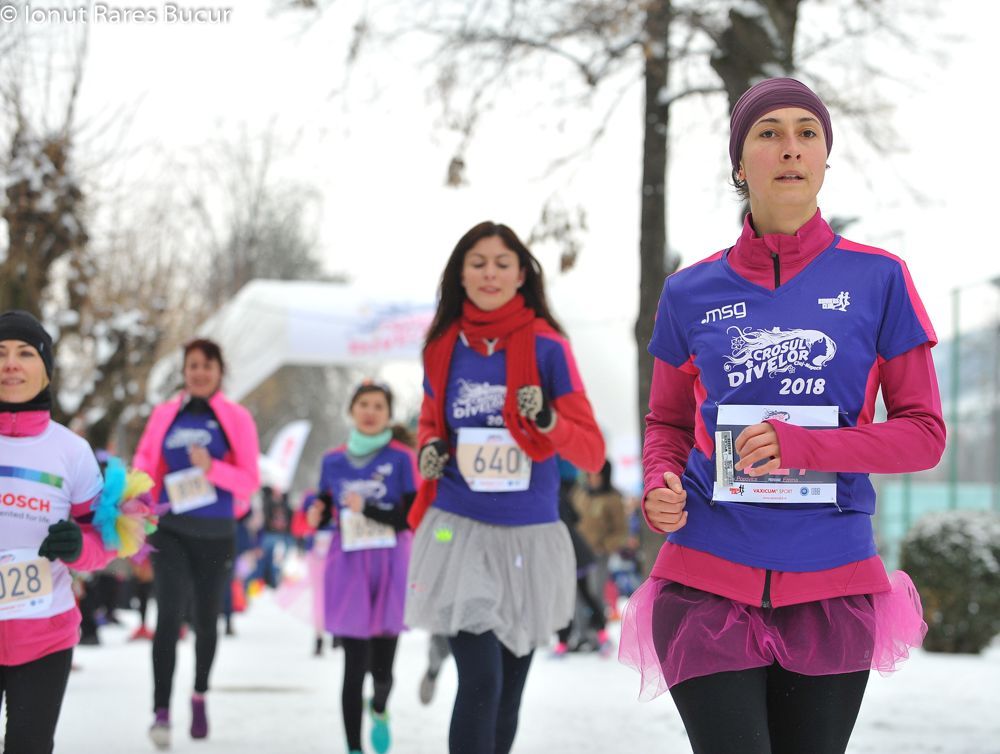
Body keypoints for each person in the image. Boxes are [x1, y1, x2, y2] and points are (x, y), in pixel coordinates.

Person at [619, 78, 946, 754]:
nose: (790, 148)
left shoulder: (880, 279)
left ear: (826, 158)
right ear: (740, 164)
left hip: (832, 580)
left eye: (807, 133)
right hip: (706, 574)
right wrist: (660, 486)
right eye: (768, 133)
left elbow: (924, 434)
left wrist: (808, 447)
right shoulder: (689, 292)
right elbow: (669, 426)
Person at [404, 221, 605, 754]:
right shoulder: (442, 347)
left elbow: (590, 450)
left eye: (501, 263)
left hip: (529, 539)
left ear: (522, 275)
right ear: (460, 275)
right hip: (458, 532)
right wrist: (428, 448)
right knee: (481, 682)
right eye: (477, 262)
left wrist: (545, 424)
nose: (489, 272)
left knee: (509, 693)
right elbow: (430, 420)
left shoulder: (548, 348)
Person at [133, 338, 260, 748]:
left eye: (207, 365)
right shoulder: (165, 414)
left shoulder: (235, 417)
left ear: (219, 372)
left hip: (216, 533)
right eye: (192, 366)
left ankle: (200, 693)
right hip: (171, 531)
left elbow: (249, 481)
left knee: (207, 622)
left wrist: (213, 469)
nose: (199, 372)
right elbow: (144, 465)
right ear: (184, 372)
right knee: (168, 616)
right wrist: (138, 505)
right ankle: (161, 711)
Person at [0, 311, 115, 753]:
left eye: (25, 353)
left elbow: (102, 542)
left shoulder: (72, 450)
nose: (11, 363)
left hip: (44, 634)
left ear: (45, 369)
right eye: (1, 353)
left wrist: (77, 545)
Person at [306, 381, 416, 754]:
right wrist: (316, 514)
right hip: (349, 566)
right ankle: (354, 748)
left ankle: (381, 707)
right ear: (352, 411)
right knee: (353, 669)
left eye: (379, 406)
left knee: (382, 672)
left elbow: (411, 517)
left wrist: (367, 508)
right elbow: (324, 510)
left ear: (388, 415)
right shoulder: (332, 460)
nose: (370, 411)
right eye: (363, 404)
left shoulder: (402, 458)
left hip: (389, 566)